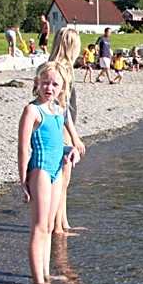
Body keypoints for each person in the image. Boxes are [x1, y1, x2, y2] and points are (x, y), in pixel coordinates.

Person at [17, 61, 80, 284]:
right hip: (40, 170)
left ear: (62, 88)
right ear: (37, 83)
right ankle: (39, 282)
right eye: (45, 83)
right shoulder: (32, 110)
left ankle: (46, 273)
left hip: (56, 170)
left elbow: (58, 143)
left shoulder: (59, 110)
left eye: (54, 84)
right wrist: (23, 179)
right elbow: (24, 148)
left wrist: (70, 150)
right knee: (39, 226)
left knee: (50, 227)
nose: (49, 88)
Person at [49, 28, 87, 235]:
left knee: (62, 180)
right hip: (61, 129)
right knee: (62, 180)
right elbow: (62, 107)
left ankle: (63, 223)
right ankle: (57, 227)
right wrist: (74, 137)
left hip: (59, 127)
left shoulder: (53, 67)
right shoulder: (63, 71)